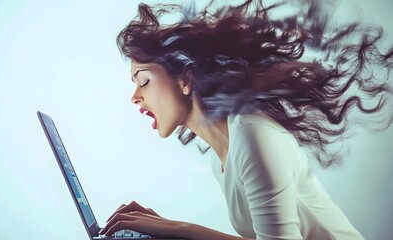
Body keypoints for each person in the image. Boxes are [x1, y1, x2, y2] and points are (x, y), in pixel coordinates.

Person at [100, 0, 393, 239]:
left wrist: (180, 230)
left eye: (144, 81)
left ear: (185, 79)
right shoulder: (223, 154)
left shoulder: (253, 135)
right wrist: (167, 229)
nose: (135, 97)